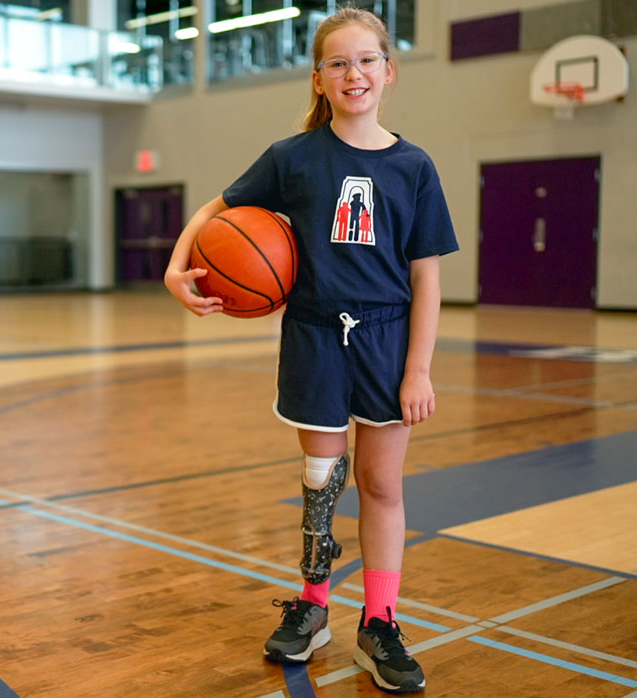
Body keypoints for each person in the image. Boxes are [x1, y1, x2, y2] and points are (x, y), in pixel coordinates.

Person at [164, 6, 458, 695]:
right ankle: (314, 606)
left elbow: (428, 277)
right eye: (337, 63)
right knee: (321, 486)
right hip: (315, 336)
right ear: (319, 80)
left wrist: (418, 369)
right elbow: (215, 208)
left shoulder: (414, 166)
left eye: (365, 60)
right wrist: (178, 269)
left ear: (389, 71)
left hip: (387, 339)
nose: (353, 73)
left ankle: (380, 620)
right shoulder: (293, 158)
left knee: (382, 484)